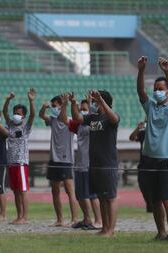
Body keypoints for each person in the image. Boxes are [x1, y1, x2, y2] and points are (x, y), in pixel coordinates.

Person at [137, 56, 168, 241]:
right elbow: (141, 91)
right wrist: (141, 70)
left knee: (167, 199)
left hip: (167, 160)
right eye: (155, 89)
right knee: (155, 199)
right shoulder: (151, 108)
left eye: (161, 89)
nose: (157, 92)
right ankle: (161, 232)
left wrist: (167, 72)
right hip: (148, 159)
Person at [66, 90, 120, 237]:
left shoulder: (110, 117)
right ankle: (104, 227)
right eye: (95, 102)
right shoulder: (93, 117)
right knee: (101, 197)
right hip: (94, 163)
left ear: (104, 101)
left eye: (96, 101)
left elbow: (114, 119)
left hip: (107, 163)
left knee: (110, 198)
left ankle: (111, 230)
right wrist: (72, 103)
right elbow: (77, 118)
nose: (94, 104)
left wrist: (101, 101)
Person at [0, 88, 35, 225]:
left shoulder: (26, 127)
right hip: (11, 162)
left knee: (23, 190)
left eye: (19, 114)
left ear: (23, 116)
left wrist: (31, 101)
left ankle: (25, 217)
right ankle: (19, 215)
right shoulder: (10, 125)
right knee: (15, 191)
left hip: (21, 163)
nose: (15, 115)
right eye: (15, 113)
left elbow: (32, 115)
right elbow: (4, 112)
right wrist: (8, 99)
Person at [39, 95, 79, 227]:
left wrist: (66, 104)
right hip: (53, 159)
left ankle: (74, 219)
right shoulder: (53, 120)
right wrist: (43, 108)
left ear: (62, 106)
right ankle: (60, 220)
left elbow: (64, 115)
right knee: (55, 190)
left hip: (66, 159)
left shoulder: (70, 121)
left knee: (69, 190)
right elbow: (41, 116)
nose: (53, 108)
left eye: (55, 105)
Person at [68, 98, 102, 230]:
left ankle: (99, 220)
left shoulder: (95, 124)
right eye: (81, 109)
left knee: (92, 195)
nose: (82, 111)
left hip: (90, 163)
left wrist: (91, 105)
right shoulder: (80, 125)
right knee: (80, 194)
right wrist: (72, 105)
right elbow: (72, 119)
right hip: (79, 163)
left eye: (85, 109)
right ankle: (87, 218)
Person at [129, 120, 153, 212]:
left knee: (153, 186)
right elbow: (131, 137)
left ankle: (153, 204)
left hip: (155, 162)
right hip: (143, 163)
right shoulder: (143, 132)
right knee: (143, 184)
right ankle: (149, 204)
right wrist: (138, 128)